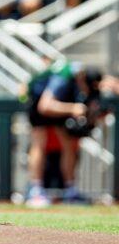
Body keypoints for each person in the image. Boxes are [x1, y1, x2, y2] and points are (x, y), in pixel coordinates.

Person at [25, 61, 103, 207]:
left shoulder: (80, 79)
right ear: (82, 78)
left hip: (60, 103)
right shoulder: (63, 78)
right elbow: (45, 106)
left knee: (69, 144)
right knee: (39, 142)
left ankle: (70, 191)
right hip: (37, 102)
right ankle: (35, 192)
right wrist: (73, 108)